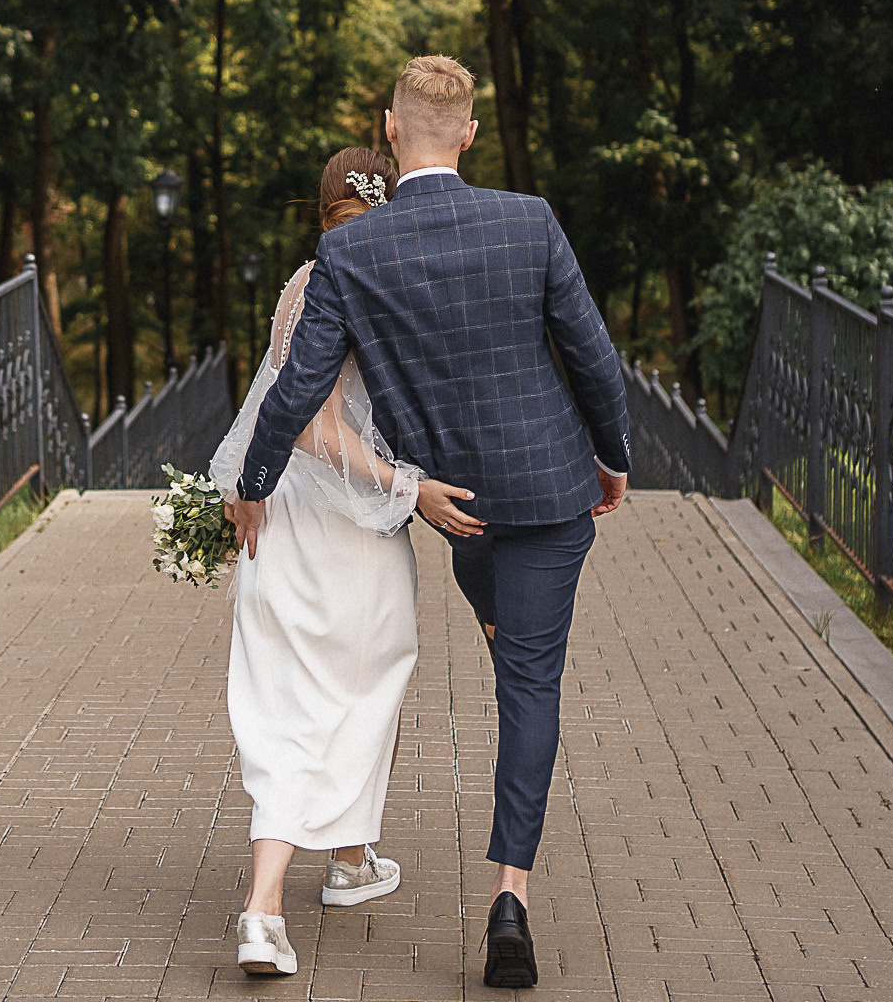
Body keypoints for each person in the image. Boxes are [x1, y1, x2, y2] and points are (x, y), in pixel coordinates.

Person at [231, 56, 632, 990]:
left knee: (495, 619)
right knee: (529, 687)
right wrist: (611, 459)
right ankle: (509, 898)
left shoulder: (352, 252)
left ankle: (344, 857)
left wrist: (253, 481)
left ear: (390, 125)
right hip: (550, 490)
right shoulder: (528, 220)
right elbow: (593, 357)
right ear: (471, 134)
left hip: (460, 506)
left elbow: (297, 388)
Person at [208, 146, 421, 978]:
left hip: (281, 514)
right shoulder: (394, 283)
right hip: (352, 520)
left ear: (322, 210)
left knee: (286, 701)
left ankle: (313, 881)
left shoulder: (303, 283)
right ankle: (304, 885)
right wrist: (405, 482)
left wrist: (244, 485)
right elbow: (313, 424)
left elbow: (275, 409)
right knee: (368, 688)